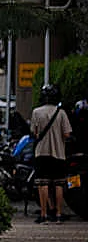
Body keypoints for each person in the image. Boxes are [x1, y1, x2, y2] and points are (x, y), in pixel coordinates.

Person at [31, 84, 72, 224]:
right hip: (59, 153)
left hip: (41, 152)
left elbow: (35, 133)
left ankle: (44, 215)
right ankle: (59, 214)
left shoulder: (36, 112)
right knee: (59, 184)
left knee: (43, 184)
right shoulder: (61, 113)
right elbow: (67, 134)